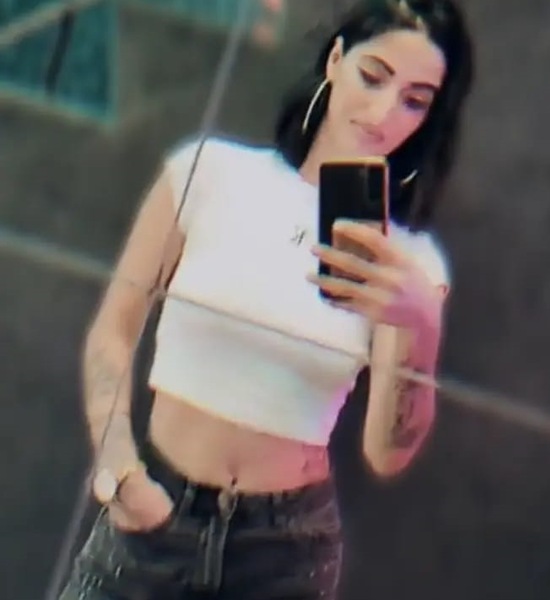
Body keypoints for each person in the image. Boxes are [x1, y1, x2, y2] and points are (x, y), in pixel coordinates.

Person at [59, 1, 474, 598]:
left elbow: (387, 452)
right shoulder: (211, 173)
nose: (385, 113)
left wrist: (421, 324)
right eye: (373, 76)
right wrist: (116, 457)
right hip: (154, 509)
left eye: (415, 100)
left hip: (286, 548)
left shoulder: (408, 260)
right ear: (336, 60)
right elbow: (115, 328)